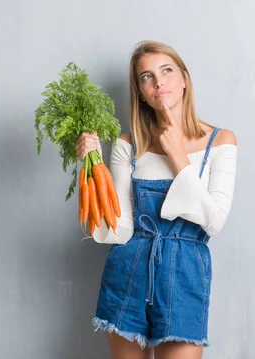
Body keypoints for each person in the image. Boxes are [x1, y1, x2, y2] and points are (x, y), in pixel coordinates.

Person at [75, 40, 238, 359]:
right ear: (140, 90)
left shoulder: (221, 141)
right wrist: (91, 167)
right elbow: (119, 229)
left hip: (185, 274)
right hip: (128, 271)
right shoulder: (127, 144)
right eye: (146, 76)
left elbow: (214, 221)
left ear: (184, 78)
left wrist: (177, 153)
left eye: (166, 70)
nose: (159, 81)